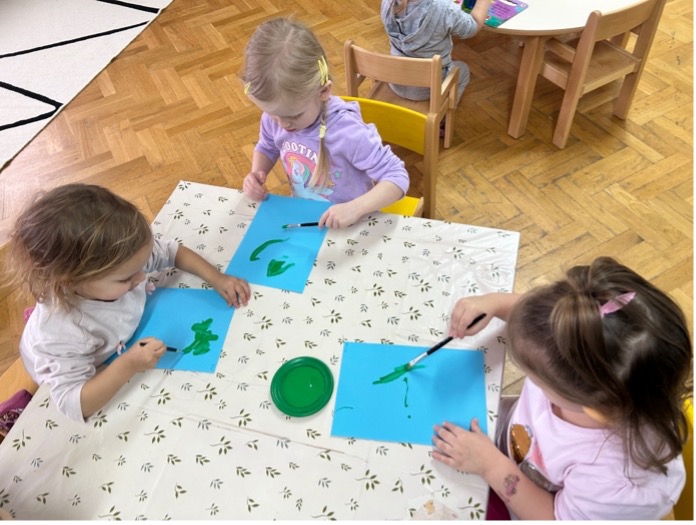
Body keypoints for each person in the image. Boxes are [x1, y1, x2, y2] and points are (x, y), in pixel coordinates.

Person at [433, 256, 691, 520]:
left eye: (536, 379)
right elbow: (553, 322)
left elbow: (554, 518)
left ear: (594, 406)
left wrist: (490, 465)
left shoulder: (619, 483)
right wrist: (495, 303)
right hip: (505, 448)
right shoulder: (593, 360)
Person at [6, 183, 251, 423]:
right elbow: (75, 403)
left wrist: (216, 278)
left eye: (140, 267)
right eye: (126, 278)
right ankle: (16, 408)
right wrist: (129, 364)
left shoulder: (119, 260)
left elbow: (171, 252)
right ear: (71, 281)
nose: (142, 277)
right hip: (63, 360)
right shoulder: (66, 334)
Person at [241, 17, 410, 229]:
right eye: (273, 115)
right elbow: (267, 146)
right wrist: (257, 173)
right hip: (309, 217)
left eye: (294, 116)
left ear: (324, 91)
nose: (282, 125)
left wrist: (356, 208)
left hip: (352, 222)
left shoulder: (347, 132)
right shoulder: (276, 116)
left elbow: (397, 177)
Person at [381, 0, 489, 105]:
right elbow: (472, 27)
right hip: (428, 89)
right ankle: (446, 110)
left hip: (395, 80)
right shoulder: (445, 8)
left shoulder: (388, 2)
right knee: (463, 69)